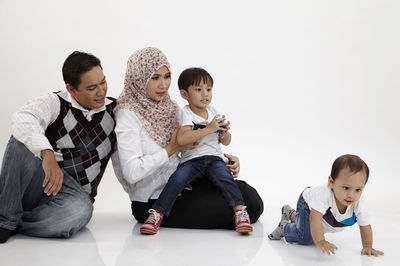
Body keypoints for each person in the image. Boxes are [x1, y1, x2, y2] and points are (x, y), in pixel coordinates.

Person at [112, 47, 263, 232]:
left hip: (188, 181)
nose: (163, 85)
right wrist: (171, 148)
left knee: (249, 195)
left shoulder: (171, 107)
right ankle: (156, 216)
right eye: (155, 77)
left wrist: (225, 158)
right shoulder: (127, 115)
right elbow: (132, 172)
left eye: (167, 76)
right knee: (248, 206)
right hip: (152, 198)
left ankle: (234, 214)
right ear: (138, 78)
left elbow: (196, 144)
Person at [0, 51, 116, 243]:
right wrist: (47, 154)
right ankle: (5, 220)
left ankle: (19, 220)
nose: (101, 92)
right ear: (71, 89)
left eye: (103, 82)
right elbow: (23, 117)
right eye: (92, 87)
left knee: (79, 213)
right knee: (22, 141)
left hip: (73, 196)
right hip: (40, 180)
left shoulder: (115, 111)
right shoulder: (55, 102)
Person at [139, 67, 252, 235]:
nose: (205, 94)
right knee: (176, 180)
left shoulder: (213, 112)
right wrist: (209, 128)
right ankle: (157, 213)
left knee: (227, 179)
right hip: (192, 161)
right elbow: (182, 139)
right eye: (198, 90)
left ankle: (240, 212)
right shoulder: (186, 113)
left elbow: (226, 142)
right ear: (185, 94)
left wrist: (223, 132)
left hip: (214, 159)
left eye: (208, 89)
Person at [268, 154, 384, 256]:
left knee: (311, 230)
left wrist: (368, 246)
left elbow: (365, 226)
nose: (351, 195)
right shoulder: (323, 195)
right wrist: (320, 241)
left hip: (320, 216)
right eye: (346, 188)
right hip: (307, 205)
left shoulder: (359, 204)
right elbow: (315, 219)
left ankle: (293, 215)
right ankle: (285, 227)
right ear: (331, 182)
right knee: (306, 237)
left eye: (358, 190)